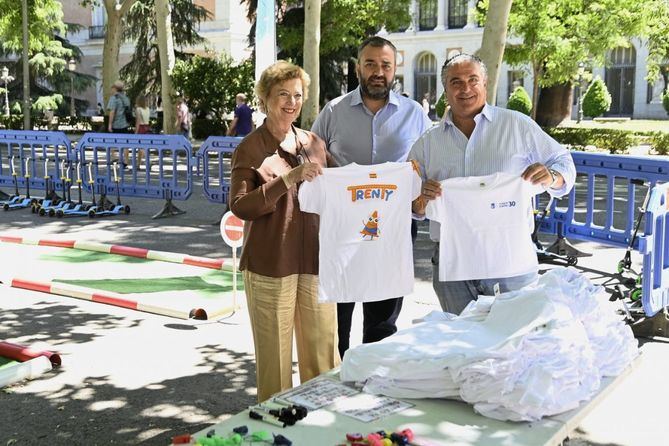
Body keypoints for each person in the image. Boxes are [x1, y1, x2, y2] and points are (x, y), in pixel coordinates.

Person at [409, 53, 576, 315]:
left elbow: (562, 161)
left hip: (510, 262)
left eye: (473, 80)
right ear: (445, 90)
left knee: (515, 342)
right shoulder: (427, 143)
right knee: (460, 345)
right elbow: (412, 205)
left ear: (485, 84)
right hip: (452, 267)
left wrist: (553, 176)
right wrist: (420, 199)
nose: (465, 88)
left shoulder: (517, 126)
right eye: (455, 82)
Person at [311, 36, 432, 359]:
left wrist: (422, 191)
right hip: (341, 228)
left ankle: (373, 383)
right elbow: (311, 155)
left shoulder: (415, 114)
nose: (378, 71)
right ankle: (331, 380)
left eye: (385, 65)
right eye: (371, 64)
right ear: (358, 68)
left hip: (394, 228)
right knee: (337, 313)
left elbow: (434, 160)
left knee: (383, 319)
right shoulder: (333, 111)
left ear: (395, 70)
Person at [229, 60, 339, 402]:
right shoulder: (249, 147)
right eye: (282, 95)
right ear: (264, 98)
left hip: (316, 264)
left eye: (297, 95)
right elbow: (240, 205)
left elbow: (339, 192)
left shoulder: (315, 144)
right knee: (275, 363)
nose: (291, 102)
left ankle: (324, 424)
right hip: (269, 265)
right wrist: (287, 179)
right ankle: (276, 428)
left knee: (323, 354)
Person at [133, 95, 151, 167]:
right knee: (145, 146)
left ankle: (141, 163)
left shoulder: (138, 109)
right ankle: (140, 163)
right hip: (147, 127)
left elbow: (138, 121)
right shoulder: (148, 109)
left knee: (140, 147)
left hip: (141, 127)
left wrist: (136, 132)